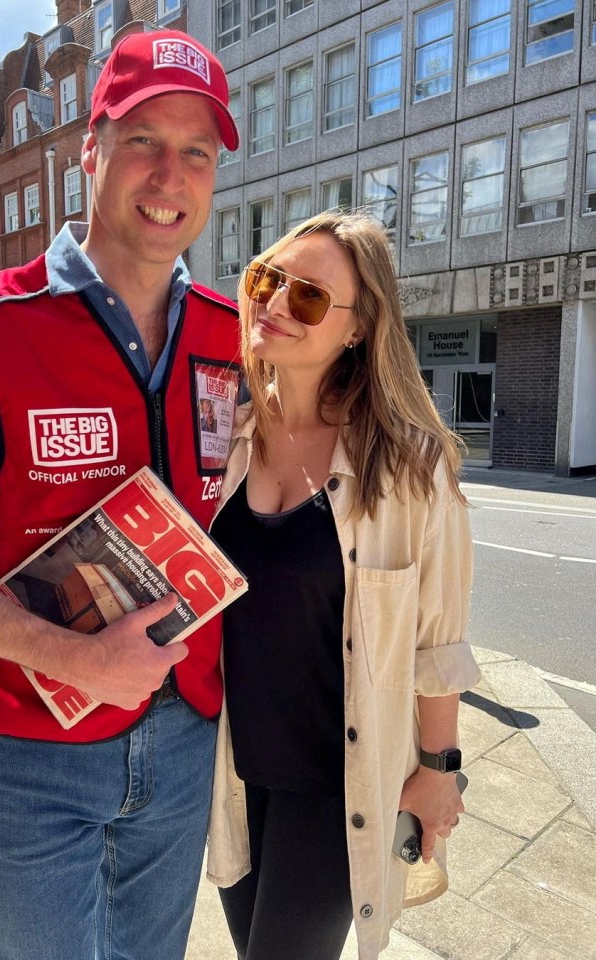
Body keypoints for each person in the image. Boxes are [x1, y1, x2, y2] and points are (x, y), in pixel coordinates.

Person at [0, 29, 242, 960]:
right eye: (143, 139)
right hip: (35, 748)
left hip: (189, 734)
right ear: (90, 150)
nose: (169, 175)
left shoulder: (239, 340)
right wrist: (70, 658)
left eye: (196, 150)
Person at [205, 210, 481, 960]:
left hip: (343, 790)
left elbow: (439, 642)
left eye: (308, 297)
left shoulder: (413, 468)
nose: (273, 303)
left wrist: (438, 770)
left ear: (359, 328)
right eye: (267, 281)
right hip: (231, 777)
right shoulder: (220, 439)